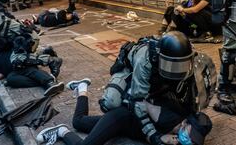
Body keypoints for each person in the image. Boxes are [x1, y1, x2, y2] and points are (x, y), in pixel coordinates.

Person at [36, 32, 214, 145]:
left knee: (79, 121)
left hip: (128, 122)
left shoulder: (180, 116)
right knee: (108, 107)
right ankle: (60, 131)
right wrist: (156, 138)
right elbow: (139, 104)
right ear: (185, 123)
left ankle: (82, 88)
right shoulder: (146, 60)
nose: (186, 142)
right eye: (189, 137)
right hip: (122, 116)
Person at [0, 0, 64, 80]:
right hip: (22, 41)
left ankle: (51, 61)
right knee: (10, 55)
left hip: (28, 39)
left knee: (17, 61)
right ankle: (45, 51)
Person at [0, 51, 64, 96]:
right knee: (11, 80)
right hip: (16, 69)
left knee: (25, 70)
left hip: (17, 60)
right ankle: (42, 79)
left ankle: (49, 83)